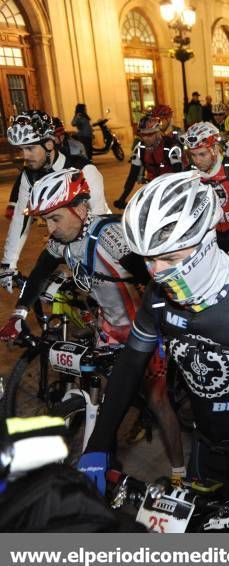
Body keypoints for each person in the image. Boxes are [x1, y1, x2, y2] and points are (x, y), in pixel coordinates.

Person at [77, 171, 229, 533]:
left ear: (206, 242)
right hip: (205, 445)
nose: (156, 274)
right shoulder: (158, 297)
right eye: (148, 260)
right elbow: (130, 365)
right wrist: (98, 442)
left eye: (169, 259)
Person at [0, 168, 185, 481]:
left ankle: (182, 472)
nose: (50, 228)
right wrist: (18, 314)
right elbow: (41, 272)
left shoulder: (110, 237)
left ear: (81, 208)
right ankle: (107, 466)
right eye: (45, 220)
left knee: (156, 400)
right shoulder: (64, 240)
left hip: (142, 330)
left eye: (55, 218)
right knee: (106, 401)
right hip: (109, 328)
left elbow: (158, 278)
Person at [0, 111, 109, 293]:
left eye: (30, 148)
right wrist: (8, 263)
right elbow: (21, 219)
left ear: (49, 144)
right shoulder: (29, 175)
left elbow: (95, 222)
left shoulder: (84, 169)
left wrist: (77, 265)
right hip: (60, 237)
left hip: (98, 241)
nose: (25, 156)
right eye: (21, 149)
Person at [181, 121, 229, 252]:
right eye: (193, 155)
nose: (197, 161)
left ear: (215, 149)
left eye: (202, 154)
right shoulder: (189, 173)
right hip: (210, 235)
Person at [113, 114, 185, 209]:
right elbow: (132, 176)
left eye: (149, 134)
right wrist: (122, 198)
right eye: (143, 135)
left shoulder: (170, 146)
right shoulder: (140, 148)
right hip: (152, 187)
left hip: (172, 187)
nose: (145, 138)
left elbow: (178, 174)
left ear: (158, 132)